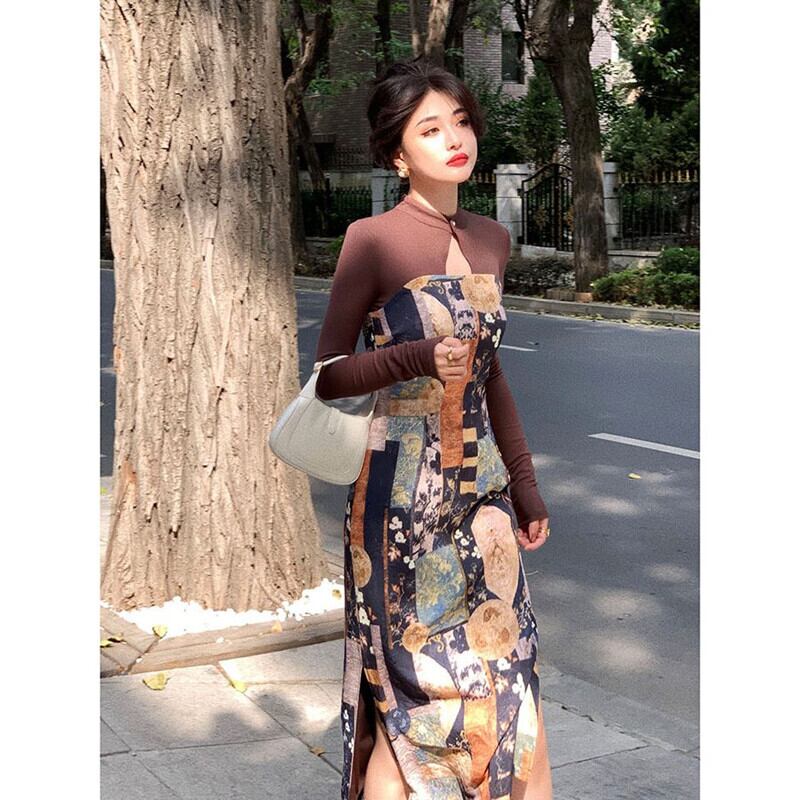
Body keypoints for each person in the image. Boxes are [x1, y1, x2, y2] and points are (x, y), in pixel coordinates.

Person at [314, 57, 553, 800]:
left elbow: (493, 375)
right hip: (398, 505)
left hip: (483, 499)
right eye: (430, 128)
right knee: (416, 695)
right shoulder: (373, 239)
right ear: (397, 152)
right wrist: (414, 357)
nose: (454, 138)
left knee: (510, 675)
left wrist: (526, 487)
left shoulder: (493, 239)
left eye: (461, 121)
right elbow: (329, 375)